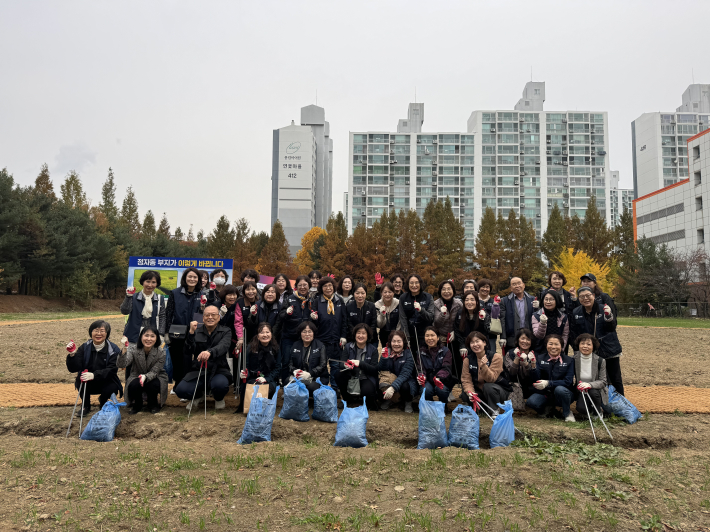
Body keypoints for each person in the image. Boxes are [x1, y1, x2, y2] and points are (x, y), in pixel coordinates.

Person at [174, 305, 232, 411]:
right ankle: (198, 396)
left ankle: (218, 398)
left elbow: (224, 346)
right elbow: (187, 351)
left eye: (213, 314)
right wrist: (191, 333)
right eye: (207, 315)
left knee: (220, 385)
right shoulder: (196, 331)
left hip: (219, 369)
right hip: (199, 370)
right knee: (181, 390)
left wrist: (210, 352)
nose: (210, 317)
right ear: (203, 317)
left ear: (219, 317)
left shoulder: (226, 331)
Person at [570, 286, 624, 395]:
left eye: (588, 295)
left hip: (609, 349)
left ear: (593, 296)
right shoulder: (576, 312)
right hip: (590, 352)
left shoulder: (604, 309)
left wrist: (609, 317)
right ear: (579, 299)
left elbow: (611, 328)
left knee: (615, 378)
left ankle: (621, 403)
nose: (585, 298)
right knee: (597, 378)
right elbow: (573, 334)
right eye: (582, 297)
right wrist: (578, 350)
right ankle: (600, 404)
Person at [65, 320, 123, 415]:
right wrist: (72, 355)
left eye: (102, 331)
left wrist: (94, 375)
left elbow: (112, 370)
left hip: (106, 380)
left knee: (112, 387)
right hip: (88, 381)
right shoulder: (84, 347)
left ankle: (103, 402)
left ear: (107, 333)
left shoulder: (113, 349)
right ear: (91, 332)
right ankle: (86, 406)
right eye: (96, 330)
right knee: (81, 380)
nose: (98, 334)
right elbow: (74, 368)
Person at [165, 267, 203, 394]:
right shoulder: (174, 293)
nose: (192, 279)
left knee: (191, 359)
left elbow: (206, 314)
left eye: (195, 277)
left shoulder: (202, 294)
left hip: (196, 332)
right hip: (177, 332)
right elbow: (169, 313)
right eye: (189, 276)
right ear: (185, 278)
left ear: (198, 280)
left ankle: (190, 386)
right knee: (177, 359)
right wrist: (166, 332)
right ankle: (178, 385)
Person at [117, 326, 168, 414]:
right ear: (141, 337)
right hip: (137, 374)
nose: (149, 339)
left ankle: (153, 404)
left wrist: (146, 377)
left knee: (153, 384)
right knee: (134, 384)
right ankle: (137, 404)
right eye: (146, 335)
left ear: (157, 338)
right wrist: (124, 348)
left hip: (156, 375)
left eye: (152, 336)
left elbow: (155, 371)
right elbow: (122, 364)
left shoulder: (161, 352)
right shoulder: (133, 349)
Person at [310, 276, 347, 394]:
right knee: (322, 366)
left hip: (336, 340)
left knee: (335, 366)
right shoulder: (317, 301)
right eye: (325, 286)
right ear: (321, 288)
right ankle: (322, 388)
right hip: (321, 339)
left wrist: (343, 335)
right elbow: (313, 322)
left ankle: (335, 390)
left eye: (330, 285)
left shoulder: (339, 301)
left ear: (333, 287)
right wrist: (314, 319)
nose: (328, 288)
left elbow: (344, 320)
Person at [460, 331, 511, 415]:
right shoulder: (467, 360)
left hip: (497, 390)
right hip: (480, 390)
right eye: (472, 342)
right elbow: (466, 380)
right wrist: (471, 393)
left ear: (484, 343)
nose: (475, 344)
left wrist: (484, 367)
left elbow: (491, 379)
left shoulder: (496, 357)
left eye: (477, 341)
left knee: (488, 386)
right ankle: (484, 408)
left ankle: (494, 410)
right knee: (465, 395)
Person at [527, 334, 576, 422]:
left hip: (563, 394)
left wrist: (549, 383)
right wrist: (533, 365)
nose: (553, 347)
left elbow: (568, 381)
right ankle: (547, 410)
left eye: (556, 344)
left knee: (560, 389)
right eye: (550, 344)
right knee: (531, 402)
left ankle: (567, 412)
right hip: (545, 394)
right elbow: (535, 379)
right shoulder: (540, 358)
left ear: (561, 346)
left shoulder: (569, 360)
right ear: (546, 345)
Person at [278, 275, 314, 384]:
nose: (302, 287)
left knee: (301, 362)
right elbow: (281, 316)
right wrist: (287, 313)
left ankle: (302, 385)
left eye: (305, 285)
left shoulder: (312, 300)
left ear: (309, 286)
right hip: (289, 336)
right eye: (300, 285)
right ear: (296, 286)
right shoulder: (289, 299)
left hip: (305, 338)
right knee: (286, 361)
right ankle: (286, 386)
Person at [335, 323, 380, 409]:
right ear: (355, 334)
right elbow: (341, 364)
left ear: (368, 335)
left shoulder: (373, 350)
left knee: (367, 391)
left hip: (366, 377)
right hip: (351, 375)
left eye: (363, 333)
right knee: (338, 375)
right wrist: (347, 365)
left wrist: (360, 363)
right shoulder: (348, 347)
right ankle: (346, 399)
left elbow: (374, 369)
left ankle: (364, 399)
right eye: (358, 333)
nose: (360, 335)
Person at [237, 322, 280, 412]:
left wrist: (266, 379)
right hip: (253, 377)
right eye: (261, 332)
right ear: (257, 336)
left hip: (269, 379)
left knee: (267, 389)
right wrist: (245, 374)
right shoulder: (250, 348)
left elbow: (277, 368)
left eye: (267, 332)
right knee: (248, 387)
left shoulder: (276, 348)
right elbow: (246, 366)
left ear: (271, 334)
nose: (265, 335)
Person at [120, 270, 166, 347]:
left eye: (153, 282)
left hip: (151, 336)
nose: (150, 285)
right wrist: (128, 297)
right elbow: (124, 311)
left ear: (157, 284)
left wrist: (161, 334)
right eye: (148, 281)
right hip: (133, 335)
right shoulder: (134, 297)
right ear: (143, 282)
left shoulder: (159, 299)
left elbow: (162, 317)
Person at [377, 330, 417, 413]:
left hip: (405, 380)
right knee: (379, 382)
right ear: (390, 342)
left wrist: (392, 388)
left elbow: (405, 374)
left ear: (403, 342)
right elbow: (381, 369)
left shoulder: (408, 354)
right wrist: (384, 359)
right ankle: (390, 399)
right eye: (394, 341)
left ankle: (407, 401)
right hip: (390, 379)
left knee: (405, 386)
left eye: (399, 341)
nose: (396, 344)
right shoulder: (386, 351)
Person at [572, 333, 608, 420]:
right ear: (578, 345)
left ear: (593, 346)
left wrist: (589, 385)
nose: (585, 346)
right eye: (582, 344)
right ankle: (589, 410)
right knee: (580, 409)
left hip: (595, 390)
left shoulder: (600, 360)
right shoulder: (573, 359)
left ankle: (597, 411)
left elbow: (603, 381)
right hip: (581, 390)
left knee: (593, 392)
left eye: (588, 344)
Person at [454, 292, 491, 375]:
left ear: (477, 302)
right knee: (466, 371)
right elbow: (457, 331)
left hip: (480, 347)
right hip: (465, 347)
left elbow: (487, 331)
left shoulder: (483, 313)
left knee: (482, 370)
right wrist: (462, 345)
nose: (469, 302)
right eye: (466, 300)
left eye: (472, 300)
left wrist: (483, 320)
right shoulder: (460, 313)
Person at [287, 321, 327, 395]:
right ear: (300, 333)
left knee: (310, 387)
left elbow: (323, 365)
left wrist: (310, 374)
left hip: (316, 378)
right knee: (287, 382)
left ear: (313, 333)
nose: (307, 334)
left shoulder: (320, 346)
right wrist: (295, 371)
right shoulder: (295, 345)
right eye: (304, 332)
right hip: (299, 377)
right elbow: (290, 364)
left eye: (310, 331)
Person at [416, 326, 453, 403]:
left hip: (442, 380)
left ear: (438, 337)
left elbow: (446, 368)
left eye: (432, 335)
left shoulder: (445, 351)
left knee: (441, 389)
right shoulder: (420, 352)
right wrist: (422, 376)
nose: (430, 338)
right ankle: (430, 406)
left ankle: (443, 405)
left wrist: (439, 377)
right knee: (426, 390)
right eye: (427, 336)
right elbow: (420, 368)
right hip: (428, 380)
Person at [398, 273, 433, 352]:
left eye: (416, 283)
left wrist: (421, 310)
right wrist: (406, 338)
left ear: (420, 283)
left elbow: (430, 317)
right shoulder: (403, 298)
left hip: (425, 335)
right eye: (411, 283)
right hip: (410, 335)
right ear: (408, 284)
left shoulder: (428, 297)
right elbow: (403, 318)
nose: (414, 285)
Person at [499, 277, 534, 353]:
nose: (517, 286)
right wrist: (503, 337)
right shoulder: (504, 301)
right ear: (511, 288)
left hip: (528, 338)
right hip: (511, 338)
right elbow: (503, 320)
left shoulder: (532, 300)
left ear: (523, 285)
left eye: (519, 283)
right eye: (514, 284)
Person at [503, 328, 538, 400]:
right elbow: (511, 374)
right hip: (514, 387)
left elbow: (533, 375)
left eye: (528, 339)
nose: (525, 341)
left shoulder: (535, 355)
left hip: (530, 387)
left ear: (531, 342)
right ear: (518, 340)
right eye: (522, 338)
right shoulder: (510, 353)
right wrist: (516, 358)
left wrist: (526, 363)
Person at [430, 280, 462, 348]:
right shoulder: (436, 304)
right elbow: (436, 323)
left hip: (456, 337)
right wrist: (442, 314)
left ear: (453, 290)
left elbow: (462, 320)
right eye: (443, 289)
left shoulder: (459, 304)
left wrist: (455, 332)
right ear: (440, 291)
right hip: (441, 339)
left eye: (449, 289)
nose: (446, 292)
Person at [217, 284, 240, 378]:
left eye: (234, 294)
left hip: (233, 338)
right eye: (229, 294)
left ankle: (234, 380)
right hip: (219, 338)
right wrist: (220, 315)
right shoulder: (217, 305)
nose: (232, 297)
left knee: (234, 357)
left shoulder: (236, 306)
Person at [345, 283, 377, 347]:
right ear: (353, 294)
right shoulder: (348, 307)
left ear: (366, 294)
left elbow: (373, 323)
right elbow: (348, 324)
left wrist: (366, 336)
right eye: (357, 293)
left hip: (370, 340)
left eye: (362, 293)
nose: (360, 296)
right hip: (353, 339)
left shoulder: (371, 306)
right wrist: (357, 336)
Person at [234, 280, 260, 354]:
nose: (251, 292)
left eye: (253, 289)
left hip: (258, 334)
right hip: (245, 334)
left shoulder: (260, 301)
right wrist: (240, 338)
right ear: (244, 291)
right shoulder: (240, 302)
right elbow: (238, 322)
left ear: (256, 290)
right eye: (248, 289)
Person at [477, 278, 501, 353]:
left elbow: (497, 316)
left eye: (487, 287)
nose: (485, 289)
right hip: (477, 332)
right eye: (483, 287)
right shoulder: (474, 300)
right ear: (479, 288)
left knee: (491, 355)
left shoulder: (494, 301)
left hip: (491, 334)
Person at [374, 281, 401, 349]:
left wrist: (397, 333)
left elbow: (401, 320)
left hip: (397, 334)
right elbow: (379, 325)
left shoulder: (398, 303)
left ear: (393, 293)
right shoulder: (377, 305)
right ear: (381, 293)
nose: (387, 294)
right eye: (385, 292)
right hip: (384, 335)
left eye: (390, 292)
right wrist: (382, 314)